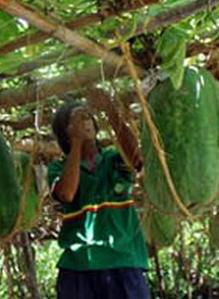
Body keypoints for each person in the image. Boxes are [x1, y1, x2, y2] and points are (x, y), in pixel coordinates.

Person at [47, 93, 150, 298]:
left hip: (124, 262)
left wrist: (110, 110)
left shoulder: (115, 159)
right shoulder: (58, 168)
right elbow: (66, 193)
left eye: (87, 116)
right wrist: (77, 142)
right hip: (78, 267)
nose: (84, 122)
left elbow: (137, 160)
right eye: (75, 121)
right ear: (65, 134)